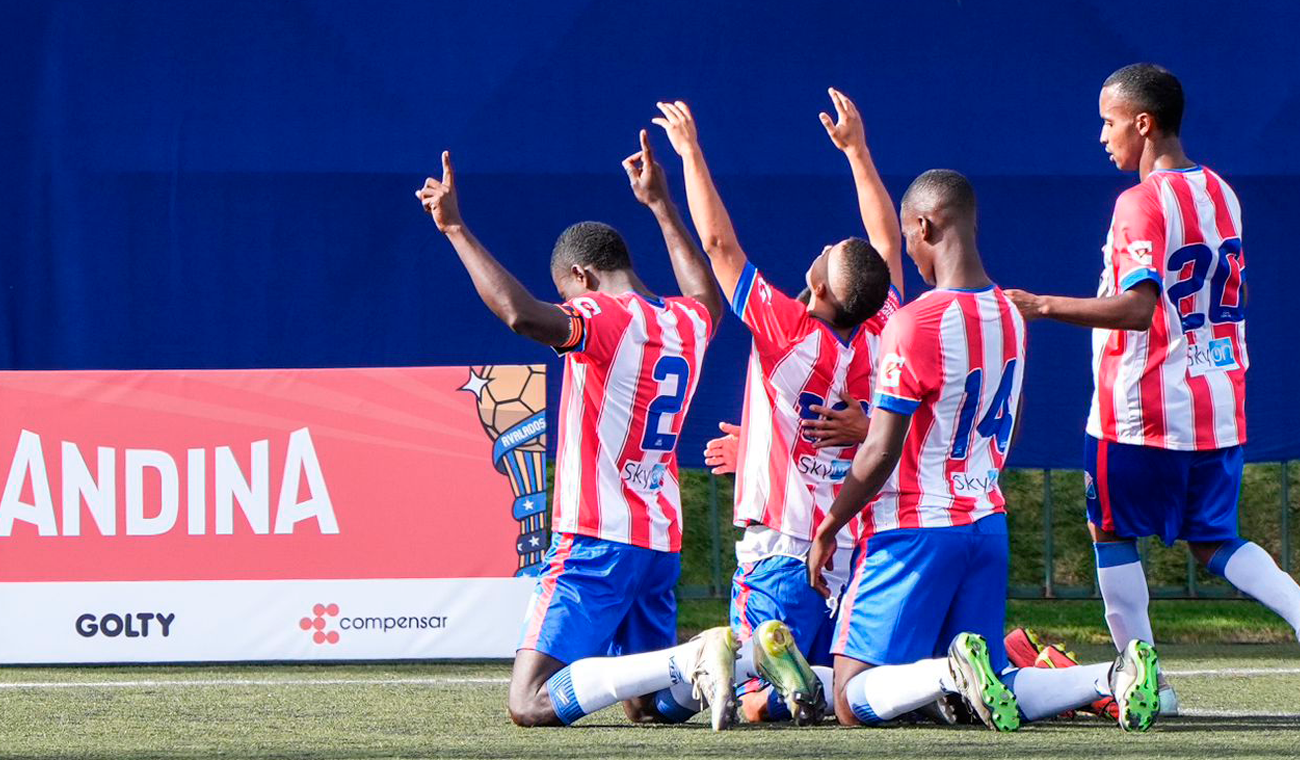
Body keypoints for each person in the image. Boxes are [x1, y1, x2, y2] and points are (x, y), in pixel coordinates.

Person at [810, 169, 1162, 734]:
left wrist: (830, 525)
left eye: (907, 237)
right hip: (985, 524)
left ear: (925, 226)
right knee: (992, 678)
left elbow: (878, 451)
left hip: (916, 529)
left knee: (851, 698)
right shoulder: (1012, 314)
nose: (909, 251)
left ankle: (950, 673)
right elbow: (1010, 429)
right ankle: (1109, 677)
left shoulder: (914, 321)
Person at [1004, 63, 1300, 714]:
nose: (1102, 135)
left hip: (1139, 408)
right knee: (1214, 538)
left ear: (1143, 123)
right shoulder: (1222, 192)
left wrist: (1042, 306)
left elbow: (1139, 308)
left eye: (1109, 122)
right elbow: (1233, 289)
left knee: (1109, 531)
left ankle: (1148, 685)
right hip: (1217, 402)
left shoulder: (1139, 203)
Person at [416, 131, 730, 728]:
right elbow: (706, 297)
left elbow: (520, 314)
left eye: (568, 293)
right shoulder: (687, 323)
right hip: (658, 540)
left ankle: (696, 654)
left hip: (595, 538)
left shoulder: (600, 316)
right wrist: (662, 206)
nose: (567, 305)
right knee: (645, 707)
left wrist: (456, 229)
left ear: (582, 277)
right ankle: (719, 664)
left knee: (529, 702)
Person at [649, 90, 902, 726]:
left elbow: (717, 243)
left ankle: (756, 678)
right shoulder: (881, 324)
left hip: (779, 550)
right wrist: (858, 154)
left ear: (818, 287)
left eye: (830, 252)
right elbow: (884, 242)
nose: (832, 242)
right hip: (846, 547)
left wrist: (690, 153)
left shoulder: (787, 329)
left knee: (749, 692)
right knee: (831, 690)